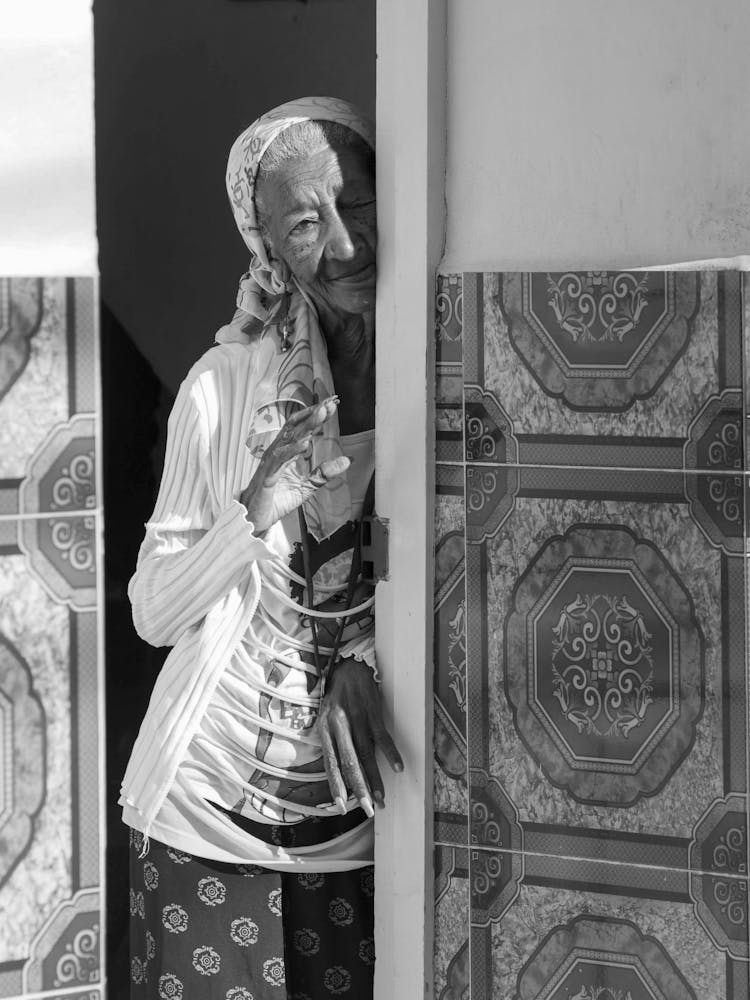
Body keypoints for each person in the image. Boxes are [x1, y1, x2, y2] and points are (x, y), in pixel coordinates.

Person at [121, 97, 403, 1000]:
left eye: (356, 205)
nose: (347, 245)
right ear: (270, 250)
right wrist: (253, 515)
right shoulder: (223, 387)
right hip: (201, 818)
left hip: (353, 822)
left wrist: (361, 653)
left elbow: (433, 561)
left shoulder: (436, 370)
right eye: (307, 224)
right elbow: (154, 610)